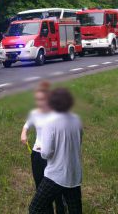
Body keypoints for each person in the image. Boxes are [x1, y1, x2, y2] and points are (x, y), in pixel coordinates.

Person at [29, 88, 83, 214]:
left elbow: (46, 153)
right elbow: (79, 141)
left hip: (55, 176)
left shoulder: (50, 123)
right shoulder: (76, 119)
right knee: (75, 209)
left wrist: (44, 150)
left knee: (35, 208)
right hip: (74, 174)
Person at [21, 82, 65, 214]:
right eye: (37, 99)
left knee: (56, 189)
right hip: (37, 155)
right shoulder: (35, 113)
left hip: (52, 157)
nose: (40, 102)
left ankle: (61, 209)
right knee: (41, 188)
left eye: (42, 99)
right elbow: (26, 126)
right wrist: (23, 134)